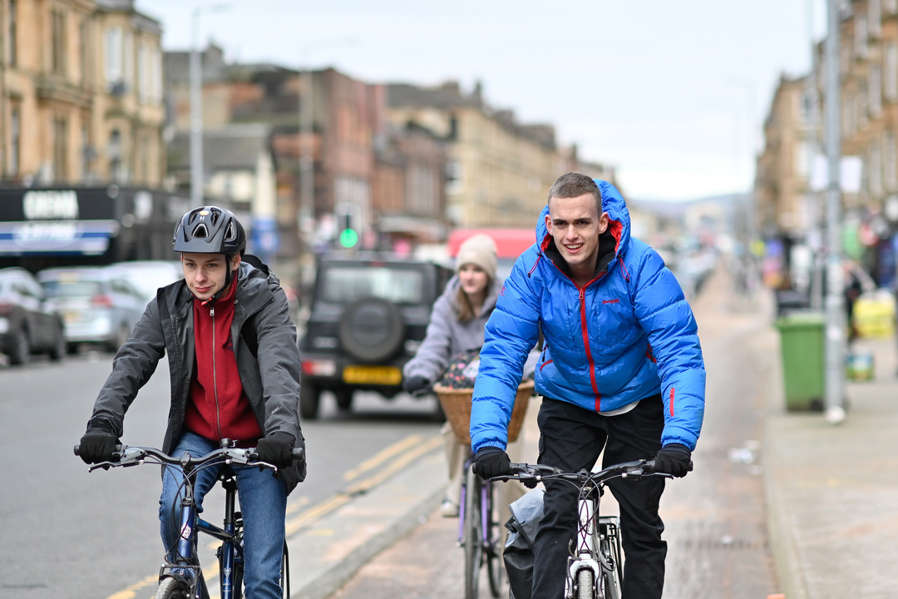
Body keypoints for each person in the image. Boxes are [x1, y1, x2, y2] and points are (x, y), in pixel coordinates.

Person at [469, 172, 705, 599]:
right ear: (548, 221)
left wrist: (679, 439)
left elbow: (679, 354)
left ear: (602, 222)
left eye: (581, 223)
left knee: (641, 526)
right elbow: (502, 355)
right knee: (556, 516)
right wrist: (488, 440)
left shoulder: (641, 266)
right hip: (568, 401)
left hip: (637, 400)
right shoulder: (532, 272)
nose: (570, 235)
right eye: (560, 224)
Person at [76, 206, 305, 599]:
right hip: (198, 437)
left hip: (261, 444)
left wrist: (282, 431)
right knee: (172, 510)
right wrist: (103, 423)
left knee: (263, 582)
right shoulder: (170, 305)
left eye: (212, 265)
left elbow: (279, 368)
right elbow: (132, 361)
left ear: (234, 262)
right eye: (190, 264)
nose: (199, 277)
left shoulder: (265, 303)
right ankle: (185, 583)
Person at [402, 234, 510, 516]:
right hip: (461, 390)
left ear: (488, 273)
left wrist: (536, 373)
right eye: (464, 269)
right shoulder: (447, 304)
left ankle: (513, 511)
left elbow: (520, 346)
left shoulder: (508, 300)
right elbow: (434, 346)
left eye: (477, 270)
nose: (469, 276)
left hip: (503, 390)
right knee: (451, 431)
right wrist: (421, 373)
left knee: (515, 443)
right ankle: (455, 491)